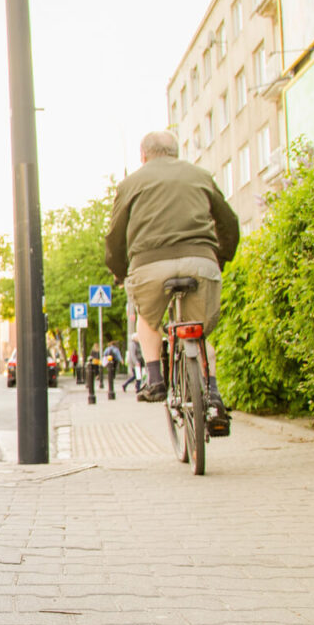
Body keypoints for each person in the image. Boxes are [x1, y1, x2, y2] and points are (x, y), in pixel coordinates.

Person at [105, 130, 238, 436]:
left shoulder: (130, 183)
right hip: (200, 261)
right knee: (200, 330)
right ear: (176, 152)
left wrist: (120, 270)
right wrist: (220, 258)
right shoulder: (201, 175)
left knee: (148, 320)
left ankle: (154, 379)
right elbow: (228, 223)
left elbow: (114, 236)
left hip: (149, 265)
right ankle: (214, 398)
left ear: (144, 156)